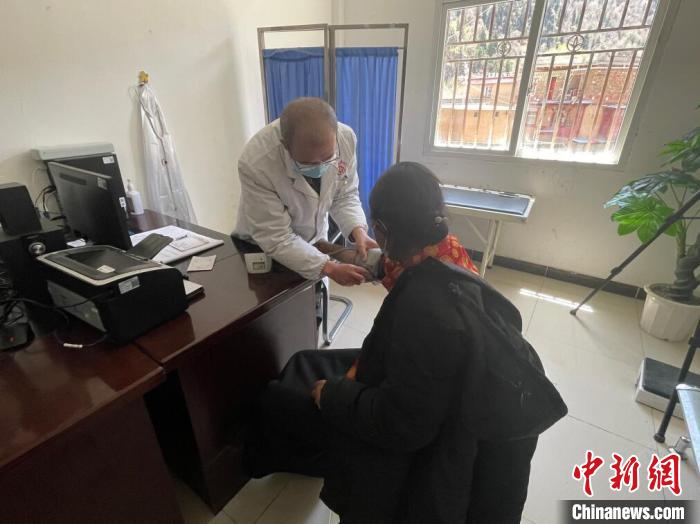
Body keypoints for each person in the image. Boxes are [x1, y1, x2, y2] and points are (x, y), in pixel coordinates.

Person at [245, 162, 565, 523]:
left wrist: (331, 395)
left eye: (376, 229)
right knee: (306, 358)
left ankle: (274, 459)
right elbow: (378, 263)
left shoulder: (424, 313)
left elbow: (403, 425)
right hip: (441, 386)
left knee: (279, 397)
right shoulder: (444, 252)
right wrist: (327, 252)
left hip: (419, 432)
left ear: (382, 229)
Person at [233, 97, 377, 286]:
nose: (320, 167)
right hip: (264, 250)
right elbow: (277, 238)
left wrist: (358, 230)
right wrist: (329, 268)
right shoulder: (257, 162)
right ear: (285, 145)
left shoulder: (345, 139)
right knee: (281, 300)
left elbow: (344, 195)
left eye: (328, 157)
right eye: (309, 163)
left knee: (315, 297)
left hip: (315, 240)